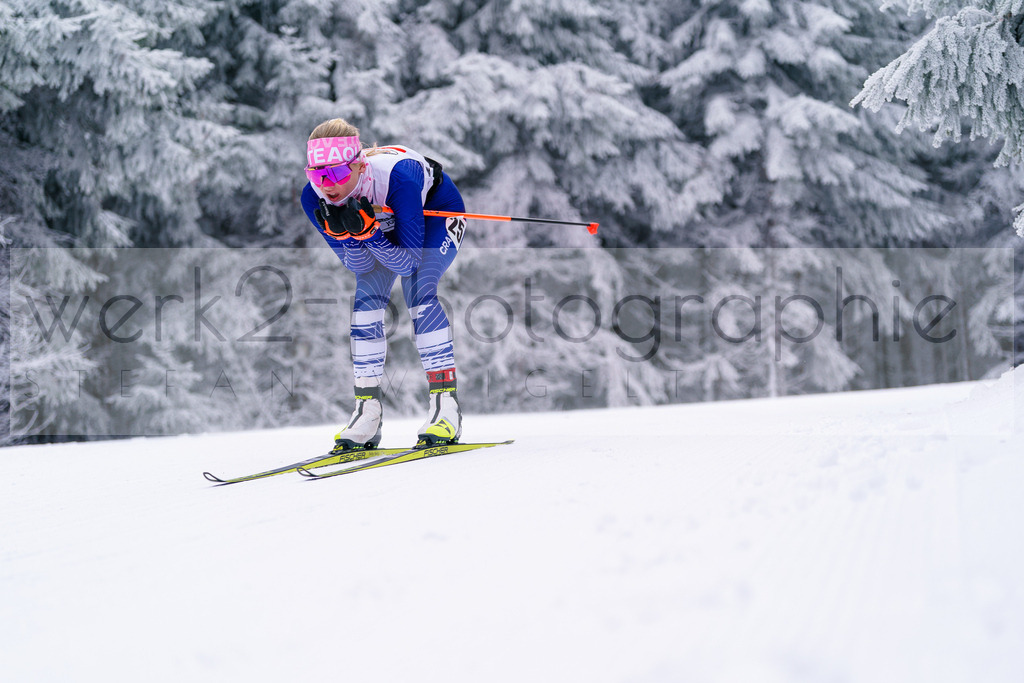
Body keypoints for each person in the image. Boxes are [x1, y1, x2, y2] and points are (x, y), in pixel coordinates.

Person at [300, 119, 467, 450]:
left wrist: (368, 234)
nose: (326, 185)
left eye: (334, 174)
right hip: (382, 226)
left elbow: (408, 263)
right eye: (317, 174)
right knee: (366, 300)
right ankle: (367, 412)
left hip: (434, 211)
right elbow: (359, 267)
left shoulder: (400, 178)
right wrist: (350, 237)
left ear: (360, 166)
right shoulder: (313, 197)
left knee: (418, 288)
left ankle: (446, 408)